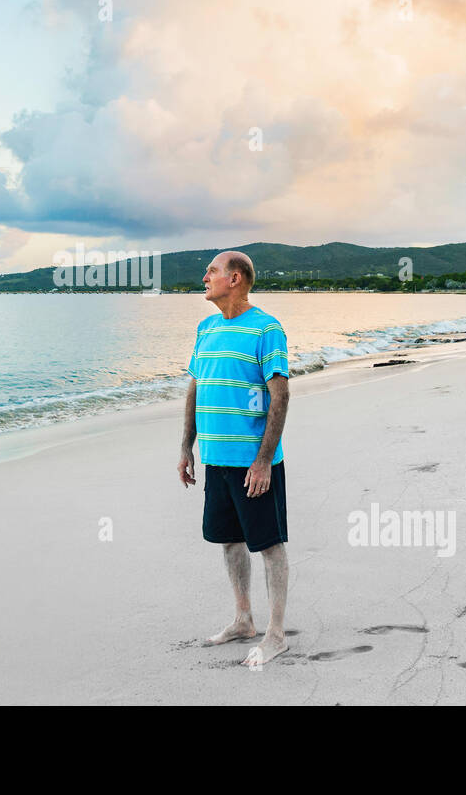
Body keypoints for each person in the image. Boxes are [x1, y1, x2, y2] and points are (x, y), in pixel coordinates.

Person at [178, 251, 291, 665]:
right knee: (229, 540)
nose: (204, 276)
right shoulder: (205, 328)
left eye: (212, 271)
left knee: (269, 543)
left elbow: (280, 396)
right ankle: (244, 619)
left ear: (236, 278)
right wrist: (186, 447)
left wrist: (263, 461)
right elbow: (196, 389)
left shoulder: (266, 328)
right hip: (216, 458)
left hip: (252, 461)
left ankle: (276, 634)